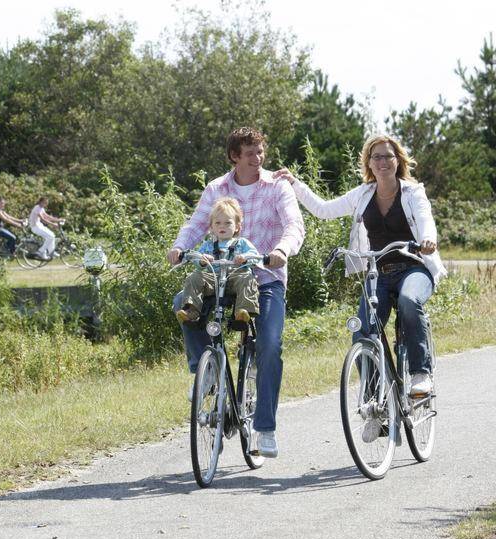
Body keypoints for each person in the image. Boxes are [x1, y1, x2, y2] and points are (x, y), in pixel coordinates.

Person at [168, 127, 305, 458]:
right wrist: (179, 247)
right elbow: (196, 225)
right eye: (249, 154)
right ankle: (208, 374)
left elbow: (293, 226)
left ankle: (265, 429)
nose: (257, 159)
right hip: (221, 276)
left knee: (269, 346)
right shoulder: (217, 188)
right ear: (234, 156)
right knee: (182, 303)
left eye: (260, 152)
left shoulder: (277, 187)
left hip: (265, 276)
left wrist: (282, 250)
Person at [275, 134, 447, 397]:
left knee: (409, 302)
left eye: (388, 156)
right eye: (376, 156)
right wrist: (295, 184)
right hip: (379, 274)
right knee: (363, 333)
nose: (382, 161)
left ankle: (420, 373)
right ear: (369, 162)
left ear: (397, 160)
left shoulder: (413, 192)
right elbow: (323, 209)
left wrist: (428, 240)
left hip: (414, 268)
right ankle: (374, 402)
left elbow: (425, 221)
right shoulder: (363, 194)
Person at [176, 197, 260, 325]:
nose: (222, 226)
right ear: (211, 227)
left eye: (228, 223)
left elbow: (255, 256)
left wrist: (245, 258)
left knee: (247, 278)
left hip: (234, 278)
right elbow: (197, 258)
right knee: (194, 277)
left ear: (237, 227)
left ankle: (243, 312)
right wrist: (202, 260)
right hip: (213, 280)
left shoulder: (242, 243)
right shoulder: (208, 245)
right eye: (218, 223)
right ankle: (191, 310)